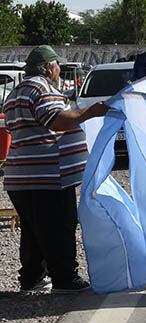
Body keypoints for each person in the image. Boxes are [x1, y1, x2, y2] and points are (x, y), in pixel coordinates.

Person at [4, 45, 108, 294]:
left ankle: (32, 278)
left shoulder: (16, 92)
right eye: (58, 65)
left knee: (34, 230)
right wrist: (89, 112)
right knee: (58, 227)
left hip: (22, 176)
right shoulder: (42, 88)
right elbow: (56, 120)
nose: (60, 70)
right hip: (48, 175)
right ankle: (64, 278)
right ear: (49, 67)